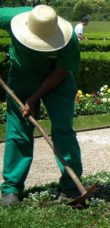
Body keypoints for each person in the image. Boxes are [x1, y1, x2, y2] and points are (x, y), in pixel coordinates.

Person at [0, 5, 83, 206]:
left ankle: (72, 185)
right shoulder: (10, 17)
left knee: (63, 131)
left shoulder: (69, 38)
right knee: (18, 132)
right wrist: (28, 98)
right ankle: (11, 188)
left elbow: (61, 72)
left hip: (57, 79)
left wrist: (34, 98)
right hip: (22, 76)